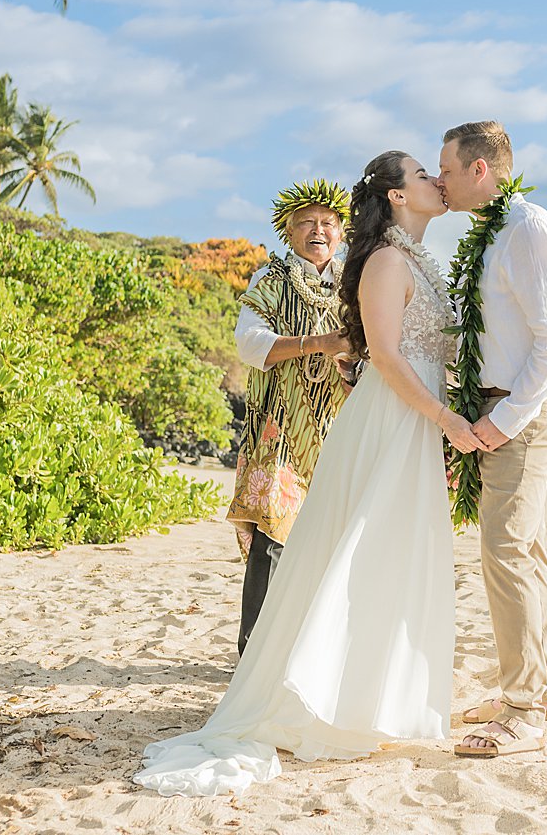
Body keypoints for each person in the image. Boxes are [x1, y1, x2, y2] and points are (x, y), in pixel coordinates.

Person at [133, 152, 486, 797]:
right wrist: (442, 418)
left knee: (388, 552)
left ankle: (376, 695)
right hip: (367, 421)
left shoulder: (407, 261)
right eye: (422, 173)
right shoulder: (376, 262)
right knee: (334, 548)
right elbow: (381, 353)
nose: (437, 179)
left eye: (326, 221)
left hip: (390, 420)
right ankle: (311, 688)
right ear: (397, 196)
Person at [435, 120, 547, 759]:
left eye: (446, 168)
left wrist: (504, 419)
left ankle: (523, 711)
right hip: (506, 407)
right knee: (525, 549)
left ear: (479, 170)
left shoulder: (528, 228)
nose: (439, 179)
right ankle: (537, 689)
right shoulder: (495, 233)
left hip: (528, 411)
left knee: (506, 550)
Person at [228, 179, 355, 655]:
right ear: (288, 230)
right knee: (272, 539)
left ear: (342, 232)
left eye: (328, 223)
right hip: (279, 428)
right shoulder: (271, 280)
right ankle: (254, 652)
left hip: (341, 428)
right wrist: (319, 344)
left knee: (333, 541)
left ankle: (312, 651)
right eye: (307, 223)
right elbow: (249, 343)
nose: (318, 230)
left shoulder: (356, 283)